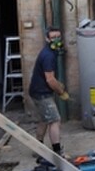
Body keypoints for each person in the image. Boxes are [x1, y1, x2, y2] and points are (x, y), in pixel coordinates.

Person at [28, 26, 70, 156]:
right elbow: (50, 80)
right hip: (42, 93)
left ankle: (38, 149)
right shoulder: (48, 56)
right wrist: (61, 92)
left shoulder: (51, 52)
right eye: (53, 37)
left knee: (44, 119)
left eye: (58, 37)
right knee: (55, 120)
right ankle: (57, 151)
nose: (56, 40)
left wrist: (58, 85)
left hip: (37, 90)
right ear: (47, 39)